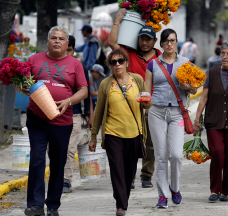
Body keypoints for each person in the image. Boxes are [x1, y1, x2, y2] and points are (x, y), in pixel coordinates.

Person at [14, 26, 88, 216]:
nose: (57, 41)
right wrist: (21, 86)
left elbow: (84, 90)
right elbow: (22, 82)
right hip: (37, 118)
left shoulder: (75, 64)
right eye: (53, 38)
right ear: (47, 41)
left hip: (62, 122)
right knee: (37, 160)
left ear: (67, 43)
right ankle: (35, 205)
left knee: (58, 162)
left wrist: (69, 101)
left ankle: (53, 205)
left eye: (61, 39)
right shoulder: (34, 60)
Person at [88, 48, 152, 216]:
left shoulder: (137, 80)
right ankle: (121, 206)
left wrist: (146, 102)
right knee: (116, 168)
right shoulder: (106, 84)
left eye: (120, 61)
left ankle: (122, 199)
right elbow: (99, 111)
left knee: (129, 172)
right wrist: (93, 136)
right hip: (112, 133)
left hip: (134, 133)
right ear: (109, 65)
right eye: (113, 62)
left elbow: (147, 104)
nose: (117, 64)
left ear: (126, 63)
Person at [109, 8, 162, 189]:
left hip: (153, 106)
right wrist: (118, 19)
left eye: (148, 39)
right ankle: (129, 176)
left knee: (151, 143)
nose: (145, 42)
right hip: (129, 106)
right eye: (142, 38)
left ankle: (146, 175)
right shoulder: (129, 55)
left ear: (155, 41)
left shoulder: (160, 58)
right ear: (137, 39)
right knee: (130, 142)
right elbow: (112, 42)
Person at [145, 28, 197, 208]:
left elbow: (195, 89)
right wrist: (143, 102)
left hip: (177, 112)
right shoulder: (152, 64)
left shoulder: (186, 63)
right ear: (161, 43)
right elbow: (146, 91)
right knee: (160, 155)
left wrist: (188, 86)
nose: (169, 44)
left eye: (172, 41)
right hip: (156, 112)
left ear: (177, 43)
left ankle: (174, 188)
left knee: (175, 155)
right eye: (166, 41)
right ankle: (162, 195)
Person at [193, 41, 228, 202]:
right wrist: (197, 118)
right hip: (213, 120)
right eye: (222, 53)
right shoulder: (211, 73)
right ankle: (215, 189)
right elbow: (204, 97)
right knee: (217, 153)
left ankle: (225, 191)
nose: (224, 57)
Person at [63, 35, 94, 193]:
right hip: (53, 115)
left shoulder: (81, 68)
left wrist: (90, 116)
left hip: (74, 114)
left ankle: (66, 180)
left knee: (70, 148)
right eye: (64, 49)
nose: (66, 53)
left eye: (69, 50)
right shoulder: (53, 66)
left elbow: (86, 94)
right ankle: (58, 177)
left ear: (74, 50)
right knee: (53, 149)